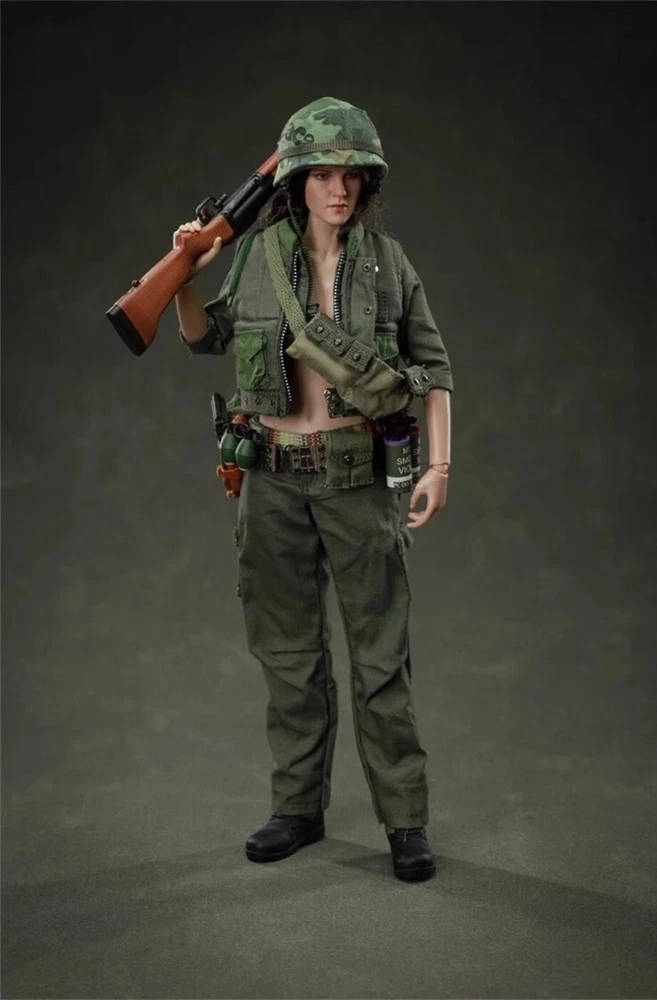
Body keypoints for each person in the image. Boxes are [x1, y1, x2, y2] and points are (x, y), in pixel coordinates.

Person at [174, 97, 453, 883]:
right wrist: (185, 276)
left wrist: (438, 467)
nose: (338, 189)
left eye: (351, 175)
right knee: (288, 656)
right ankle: (296, 808)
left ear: (367, 183)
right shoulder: (257, 256)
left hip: (357, 481)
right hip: (269, 480)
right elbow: (204, 337)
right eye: (322, 174)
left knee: (380, 661)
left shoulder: (388, 264)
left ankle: (404, 820)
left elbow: (433, 368)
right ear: (296, 182)